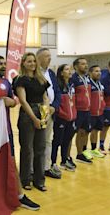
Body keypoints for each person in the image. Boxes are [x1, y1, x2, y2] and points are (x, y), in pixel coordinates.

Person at [0, 53, 39, 210]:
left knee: (11, 163)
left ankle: (20, 195)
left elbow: (14, 101)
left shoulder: (5, 83)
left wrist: (11, 102)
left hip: (5, 132)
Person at [13, 52, 49, 192]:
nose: (32, 64)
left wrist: (44, 116)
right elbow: (23, 100)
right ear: (23, 63)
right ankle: (25, 179)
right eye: (29, 61)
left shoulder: (40, 79)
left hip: (41, 111)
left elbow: (45, 98)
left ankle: (39, 180)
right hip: (28, 115)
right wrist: (34, 118)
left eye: (34, 61)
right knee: (27, 149)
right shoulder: (20, 79)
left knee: (40, 148)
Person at [36, 48, 61, 179]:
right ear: (38, 58)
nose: (49, 58)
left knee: (47, 141)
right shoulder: (34, 73)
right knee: (37, 141)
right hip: (39, 109)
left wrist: (54, 106)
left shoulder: (51, 72)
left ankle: (46, 167)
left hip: (50, 110)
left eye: (50, 56)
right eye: (46, 56)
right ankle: (34, 169)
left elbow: (57, 91)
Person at [52, 64, 77, 172]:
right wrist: (60, 113)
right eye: (67, 69)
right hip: (61, 118)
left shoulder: (71, 85)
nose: (70, 71)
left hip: (71, 118)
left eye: (70, 69)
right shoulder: (57, 85)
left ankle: (64, 161)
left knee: (67, 141)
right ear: (61, 73)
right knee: (57, 141)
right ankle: (52, 162)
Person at [71, 57, 93, 164]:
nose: (86, 65)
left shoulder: (87, 78)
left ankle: (83, 152)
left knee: (84, 132)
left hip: (87, 110)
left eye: (86, 63)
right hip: (78, 110)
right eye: (83, 64)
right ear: (76, 66)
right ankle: (77, 154)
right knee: (78, 132)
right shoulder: (73, 78)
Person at [88, 65, 106, 158]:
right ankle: (84, 150)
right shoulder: (88, 84)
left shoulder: (100, 83)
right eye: (96, 71)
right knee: (87, 132)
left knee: (96, 131)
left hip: (100, 112)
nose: (98, 73)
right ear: (90, 73)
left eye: (99, 71)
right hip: (91, 113)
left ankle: (94, 149)